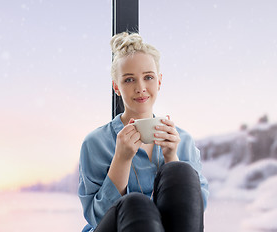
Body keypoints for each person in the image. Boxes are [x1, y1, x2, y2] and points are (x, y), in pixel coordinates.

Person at [78, 32, 209, 232]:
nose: (140, 88)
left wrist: (171, 156)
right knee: (135, 204)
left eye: (148, 77)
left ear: (159, 81)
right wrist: (121, 159)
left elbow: (194, 214)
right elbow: (96, 217)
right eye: (129, 80)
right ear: (116, 86)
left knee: (179, 170)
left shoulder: (182, 140)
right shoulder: (96, 143)